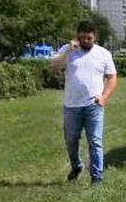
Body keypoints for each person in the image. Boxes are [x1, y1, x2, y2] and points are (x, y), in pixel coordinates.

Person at [50, 21, 117, 185]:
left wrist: (104, 97)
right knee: (71, 141)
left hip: (94, 106)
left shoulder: (103, 54)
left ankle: (97, 177)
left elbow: (112, 77)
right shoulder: (68, 50)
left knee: (95, 141)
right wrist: (68, 52)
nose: (86, 41)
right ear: (77, 36)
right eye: (82, 38)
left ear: (95, 37)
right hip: (71, 106)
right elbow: (54, 67)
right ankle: (77, 166)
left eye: (89, 38)